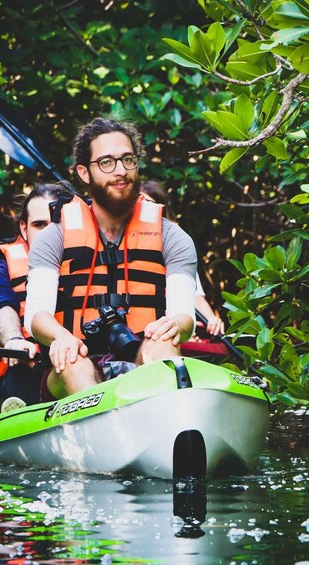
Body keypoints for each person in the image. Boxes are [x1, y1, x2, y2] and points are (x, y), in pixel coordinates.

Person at [25, 117, 198, 400]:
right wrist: (61, 336)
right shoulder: (53, 237)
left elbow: (184, 316)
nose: (120, 171)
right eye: (107, 162)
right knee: (71, 360)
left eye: (128, 159)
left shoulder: (173, 237)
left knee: (165, 344)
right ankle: (102, 424)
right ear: (84, 172)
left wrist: (173, 325)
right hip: (75, 359)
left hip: (143, 356)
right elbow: (36, 314)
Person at [0, 182, 75, 410]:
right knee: (19, 378)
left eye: (57, 224)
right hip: (30, 372)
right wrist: (13, 338)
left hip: (81, 366)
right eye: (40, 225)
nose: (50, 233)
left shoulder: (101, 265)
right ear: (24, 229)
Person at [139, 180, 225, 337]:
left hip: (164, 330)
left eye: (148, 203)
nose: (142, 208)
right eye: (138, 202)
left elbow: (195, 297)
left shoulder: (175, 244)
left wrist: (212, 319)